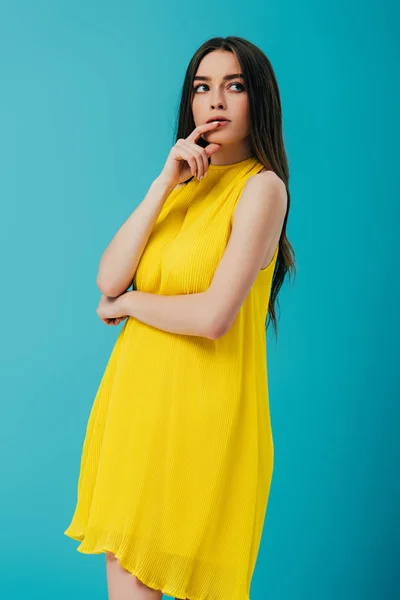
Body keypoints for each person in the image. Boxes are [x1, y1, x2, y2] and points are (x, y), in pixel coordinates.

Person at [64, 35, 295, 600]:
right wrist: (162, 182)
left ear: (258, 100)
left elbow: (215, 316)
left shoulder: (262, 189)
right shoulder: (181, 185)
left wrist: (127, 307)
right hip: (135, 412)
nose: (216, 100)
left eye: (233, 86)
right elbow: (108, 276)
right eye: (202, 87)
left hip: (200, 426)